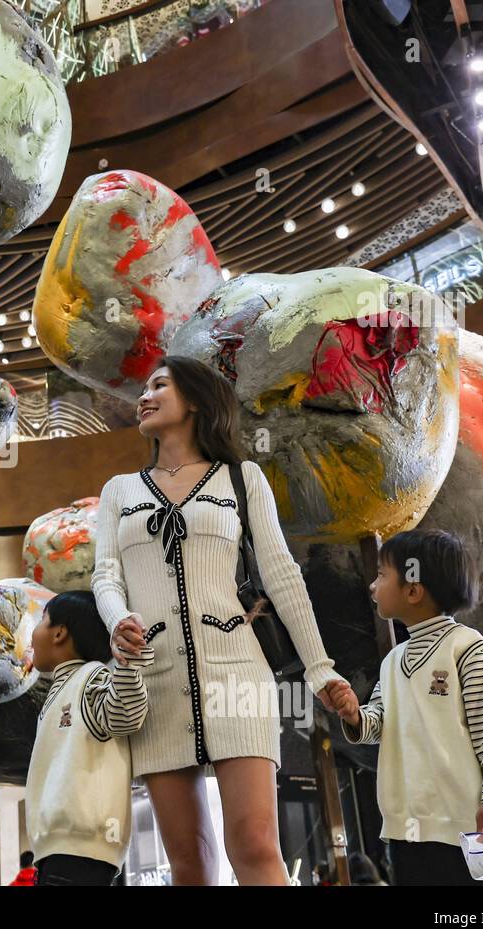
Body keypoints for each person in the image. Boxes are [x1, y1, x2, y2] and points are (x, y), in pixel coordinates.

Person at [92, 357, 348, 885]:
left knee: (255, 845)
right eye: (144, 385)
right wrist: (118, 621)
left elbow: (282, 575)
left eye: (159, 384)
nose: (144, 394)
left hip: (239, 672)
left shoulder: (241, 476)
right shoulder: (120, 489)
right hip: (152, 678)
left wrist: (319, 668)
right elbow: (105, 576)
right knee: (189, 862)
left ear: (196, 401)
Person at [329, 529, 483, 886]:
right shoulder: (392, 662)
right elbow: (381, 722)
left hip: (473, 834)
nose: (372, 587)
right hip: (409, 836)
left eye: (382, 575)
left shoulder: (467, 650)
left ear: (413, 590)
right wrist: (356, 715)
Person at [25, 590, 152, 885]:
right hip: (61, 848)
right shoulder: (59, 691)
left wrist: (127, 663)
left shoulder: (90, 676)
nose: (33, 632)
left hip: (81, 845)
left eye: (42, 620)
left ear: (59, 632)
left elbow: (125, 714)